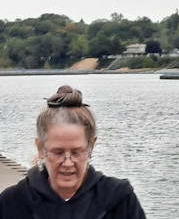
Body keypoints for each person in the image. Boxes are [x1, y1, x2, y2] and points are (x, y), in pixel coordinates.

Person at [0, 85, 146, 219]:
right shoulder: (11, 203)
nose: (68, 163)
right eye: (58, 152)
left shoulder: (120, 200)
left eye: (76, 152)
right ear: (40, 148)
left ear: (91, 146)